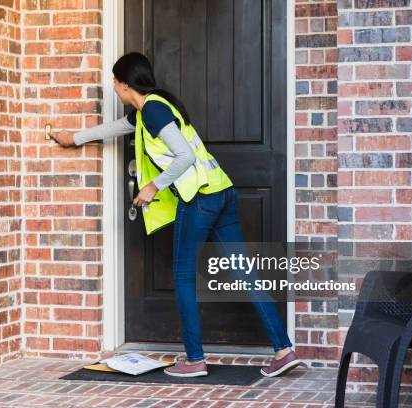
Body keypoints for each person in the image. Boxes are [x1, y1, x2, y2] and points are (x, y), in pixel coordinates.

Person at [49, 51, 301, 378]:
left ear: (126, 85)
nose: (113, 87)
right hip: (222, 191)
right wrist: (74, 138)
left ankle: (194, 360)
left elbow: (184, 157)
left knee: (183, 278)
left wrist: (154, 186)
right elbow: (116, 127)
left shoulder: (153, 111)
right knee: (244, 272)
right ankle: (283, 349)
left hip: (199, 199)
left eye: (114, 81)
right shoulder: (151, 109)